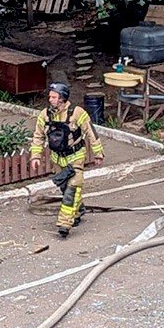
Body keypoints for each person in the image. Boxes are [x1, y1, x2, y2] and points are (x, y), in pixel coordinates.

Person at [29, 82, 105, 238]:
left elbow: (91, 133)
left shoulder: (77, 113)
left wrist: (98, 153)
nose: (50, 99)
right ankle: (79, 210)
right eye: (50, 96)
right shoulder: (45, 115)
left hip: (75, 157)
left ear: (62, 98)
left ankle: (65, 223)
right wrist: (35, 156)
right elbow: (38, 136)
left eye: (54, 97)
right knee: (65, 189)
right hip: (57, 159)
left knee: (72, 190)